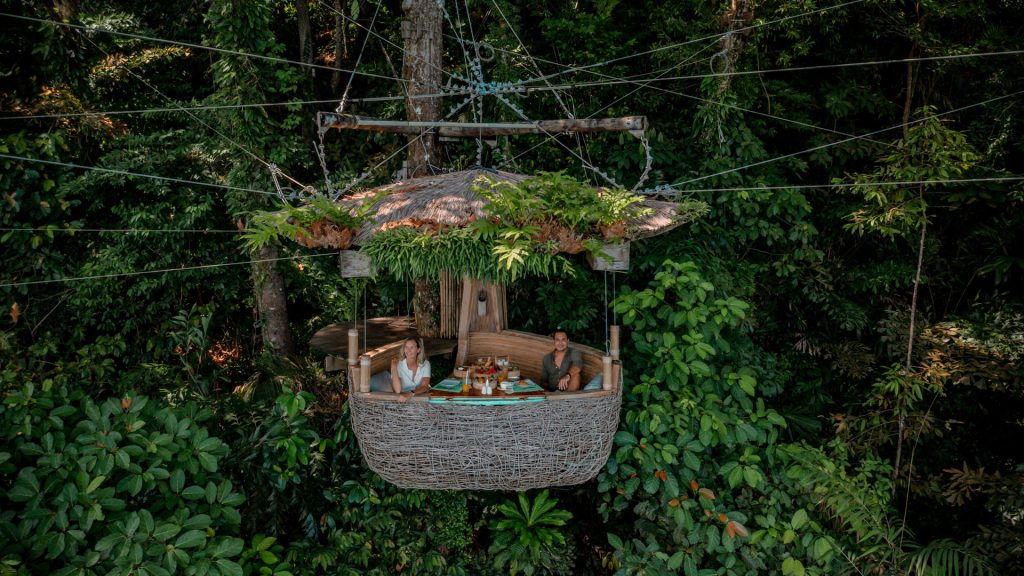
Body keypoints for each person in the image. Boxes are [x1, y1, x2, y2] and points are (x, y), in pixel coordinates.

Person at [391, 337, 431, 403]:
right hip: (401, 400)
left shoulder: (425, 364)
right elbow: (397, 390)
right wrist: (394, 368)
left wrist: (410, 393)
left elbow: (424, 386)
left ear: (418, 350)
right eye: (406, 347)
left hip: (420, 399)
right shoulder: (398, 365)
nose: (408, 350)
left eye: (412, 347)